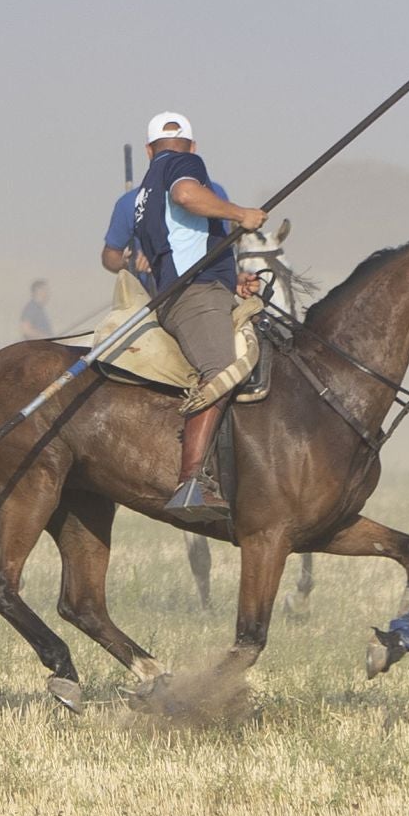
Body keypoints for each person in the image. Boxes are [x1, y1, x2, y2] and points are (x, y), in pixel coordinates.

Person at [130, 112, 266, 521]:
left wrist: (232, 279)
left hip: (191, 291)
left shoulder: (143, 193)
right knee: (222, 371)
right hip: (195, 296)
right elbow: (187, 196)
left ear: (147, 149)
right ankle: (191, 482)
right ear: (193, 145)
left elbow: (181, 243)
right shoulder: (183, 164)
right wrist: (241, 214)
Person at [102, 167, 236, 293]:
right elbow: (110, 257)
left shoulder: (215, 192)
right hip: (153, 296)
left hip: (208, 289)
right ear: (150, 152)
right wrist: (130, 263)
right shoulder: (129, 202)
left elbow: (223, 249)